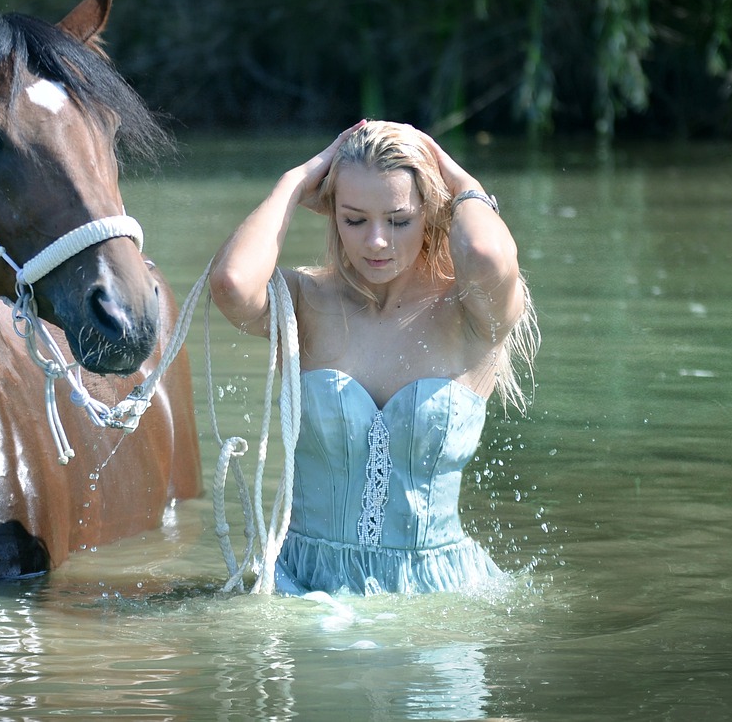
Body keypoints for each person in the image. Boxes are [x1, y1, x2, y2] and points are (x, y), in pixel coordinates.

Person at [209, 120, 539, 596]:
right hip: (302, 585)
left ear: (429, 211)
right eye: (354, 219)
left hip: (437, 595)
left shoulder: (472, 310)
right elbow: (232, 284)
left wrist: (462, 183)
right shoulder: (304, 302)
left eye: (399, 220)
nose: (376, 241)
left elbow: (486, 253)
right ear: (330, 214)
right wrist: (295, 180)